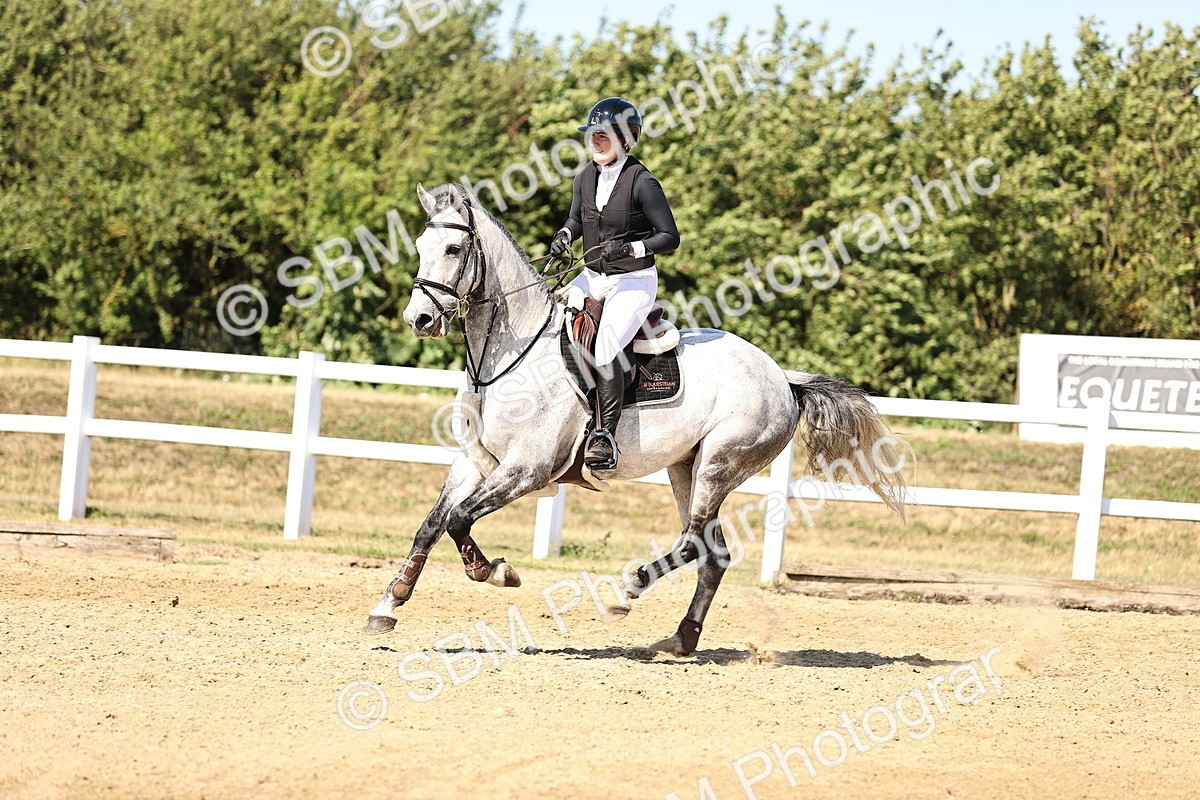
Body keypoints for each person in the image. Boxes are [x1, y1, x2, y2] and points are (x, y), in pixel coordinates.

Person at [549, 97, 681, 470]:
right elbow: (576, 220)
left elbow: (670, 236)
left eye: (604, 135)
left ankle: (604, 435)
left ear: (626, 139)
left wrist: (632, 246)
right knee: (549, 319)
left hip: (634, 281)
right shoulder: (585, 177)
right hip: (592, 276)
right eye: (592, 134)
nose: (596, 140)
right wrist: (563, 235)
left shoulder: (644, 182)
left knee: (606, 346)